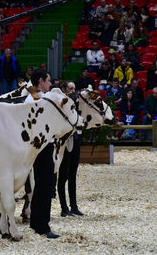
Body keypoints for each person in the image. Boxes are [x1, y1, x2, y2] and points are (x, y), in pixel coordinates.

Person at [26, 69, 59, 239]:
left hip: (40, 145)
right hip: (42, 145)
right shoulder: (38, 99)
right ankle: (42, 226)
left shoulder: (33, 96)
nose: (50, 83)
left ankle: (36, 222)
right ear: (40, 81)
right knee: (46, 185)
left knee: (41, 185)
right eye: (48, 80)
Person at [58, 80, 83, 218]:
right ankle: (64, 207)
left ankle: (74, 206)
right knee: (63, 175)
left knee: (73, 174)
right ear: (63, 89)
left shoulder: (77, 105)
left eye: (74, 88)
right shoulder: (61, 105)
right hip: (64, 141)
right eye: (70, 88)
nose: (73, 90)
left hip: (76, 139)